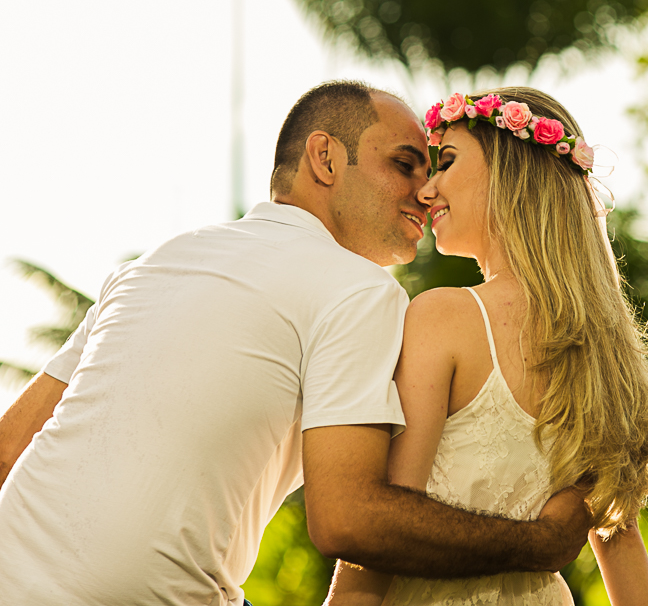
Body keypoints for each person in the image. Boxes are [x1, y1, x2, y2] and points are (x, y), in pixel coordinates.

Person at [0, 81, 589, 605]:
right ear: (326, 158)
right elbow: (348, 521)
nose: (425, 190)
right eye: (405, 164)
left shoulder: (154, 261)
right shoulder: (357, 288)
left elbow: (9, 451)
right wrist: (541, 542)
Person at [324, 87, 648, 606]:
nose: (427, 190)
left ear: (511, 175)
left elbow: (387, 535)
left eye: (444, 163)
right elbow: (619, 540)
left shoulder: (443, 316)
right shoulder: (601, 352)